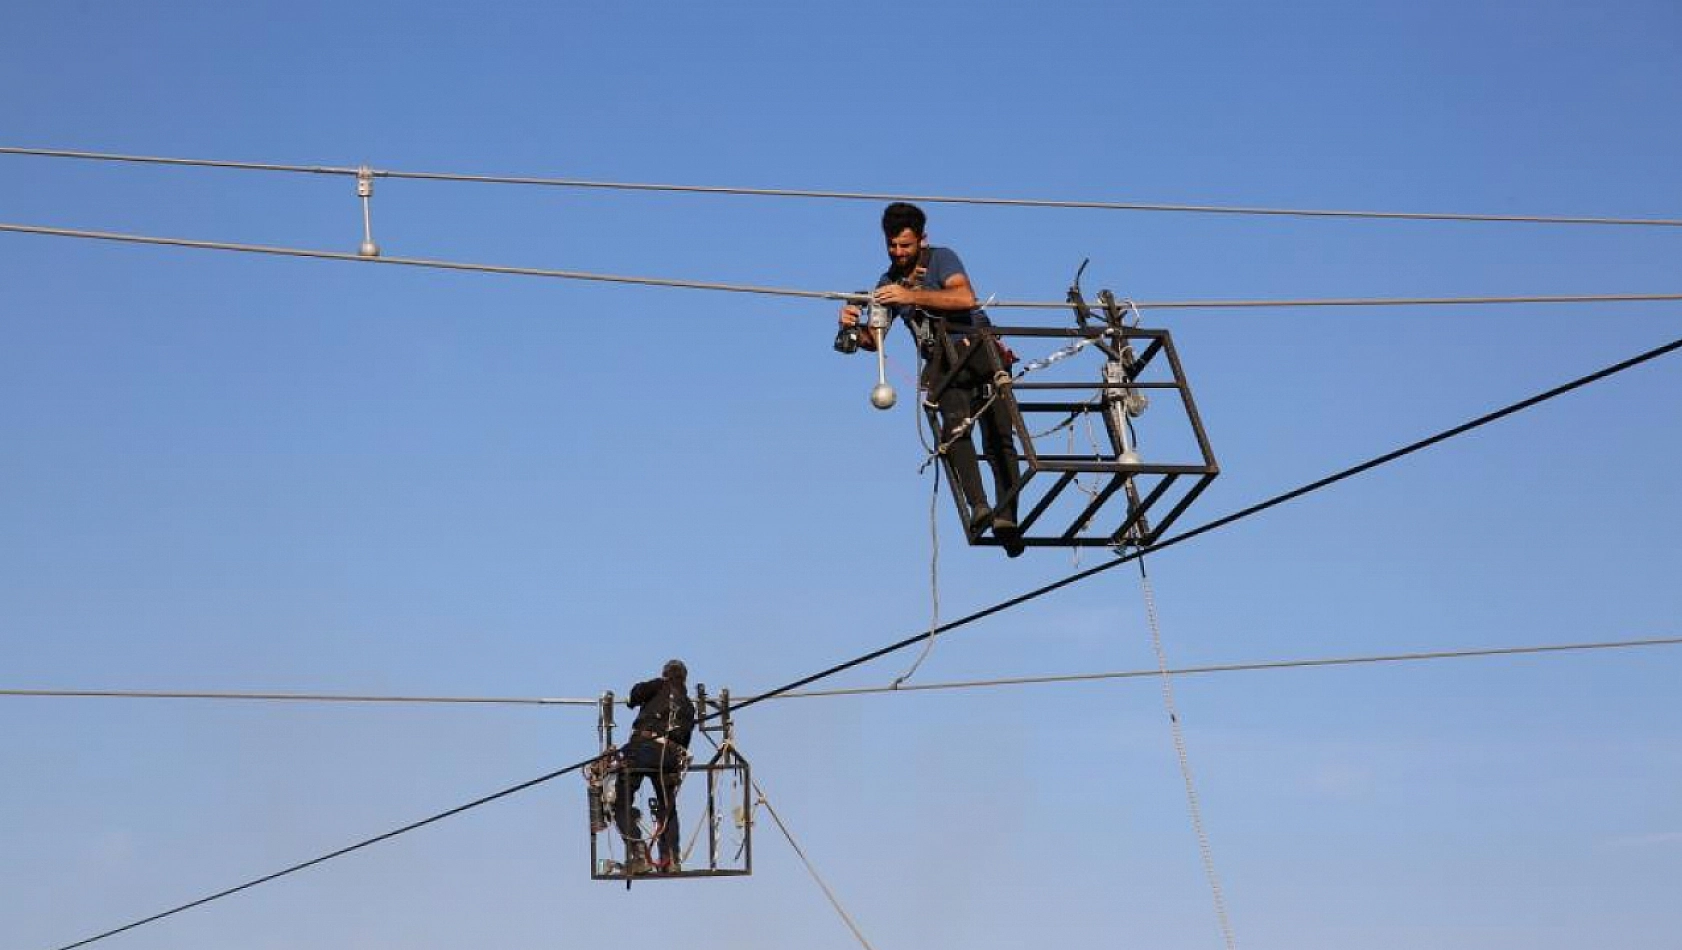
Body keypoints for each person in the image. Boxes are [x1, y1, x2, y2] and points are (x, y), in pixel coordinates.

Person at [840, 202, 1025, 557]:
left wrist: (912, 296)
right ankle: (979, 506)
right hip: (942, 365)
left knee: (1000, 437)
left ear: (922, 240)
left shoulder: (942, 258)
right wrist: (850, 325)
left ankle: (1008, 518)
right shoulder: (888, 281)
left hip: (978, 352)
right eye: (892, 245)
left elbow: (964, 296)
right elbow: (874, 340)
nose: (898, 252)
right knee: (954, 430)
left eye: (905, 246)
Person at [614, 659, 695, 873]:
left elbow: (636, 693)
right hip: (670, 757)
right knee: (667, 806)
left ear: (666, 674)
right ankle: (671, 859)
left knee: (621, 802)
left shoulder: (660, 685)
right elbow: (685, 740)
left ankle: (639, 854)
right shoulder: (688, 706)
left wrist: (634, 702)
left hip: (643, 748)